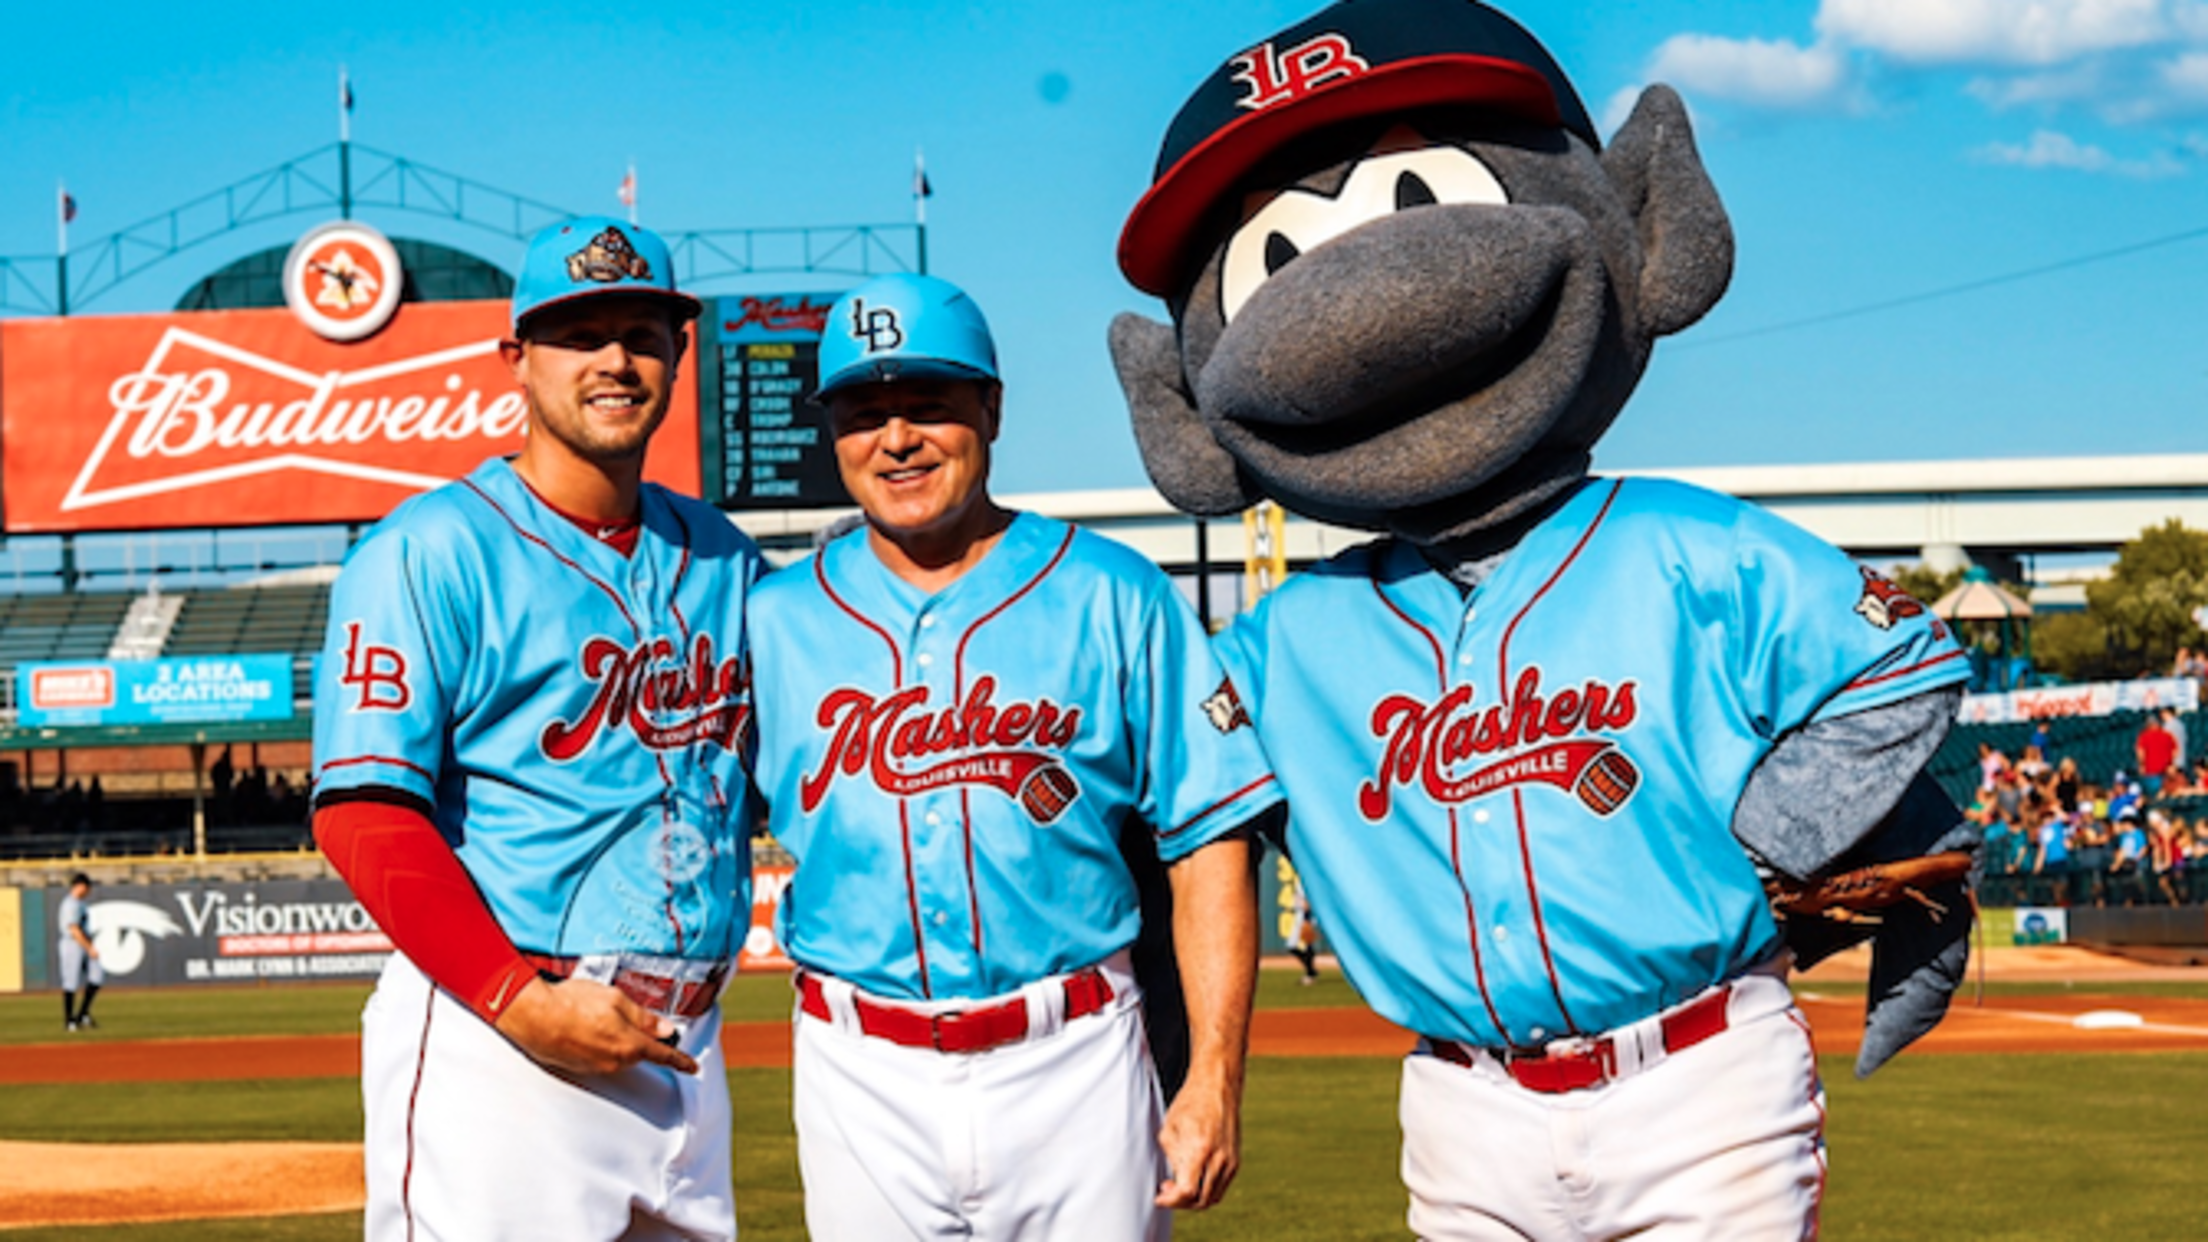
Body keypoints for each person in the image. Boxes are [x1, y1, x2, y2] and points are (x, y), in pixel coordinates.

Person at [747, 273, 1281, 1240]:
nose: (896, 439)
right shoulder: (772, 620)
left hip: (1075, 1058)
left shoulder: (1115, 594)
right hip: (856, 1069)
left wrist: (1213, 1075)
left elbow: (1209, 838)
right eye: (864, 413)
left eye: (928, 405)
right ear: (833, 433)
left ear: (991, 410)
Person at [311, 217, 761, 1241]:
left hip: (690, 1039)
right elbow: (364, 812)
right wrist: (516, 999)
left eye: (641, 335)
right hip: (506, 1037)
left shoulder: (726, 558)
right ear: (517, 359)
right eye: (579, 335)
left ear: (679, 354)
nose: (615, 360)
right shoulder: (429, 549)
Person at [57, 873, 101, 1031]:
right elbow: (74, 929)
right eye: (87, 887)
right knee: (71, 981)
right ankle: (69, 1020)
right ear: (80, 886)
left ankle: (82, 1014)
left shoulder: (80, 903)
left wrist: (89, 945)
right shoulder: (70, 904)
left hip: (83, 942)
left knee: (96, 976)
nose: (89, 890)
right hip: (72, 943)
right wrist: (89, 947)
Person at [2137, 715, 2178, 799]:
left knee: (2153, 797)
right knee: (2165, 796)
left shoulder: (2144, 736)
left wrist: (2141, 765)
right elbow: (2175, 751)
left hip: (2151, 771)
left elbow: (2140, 752)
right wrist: (2171, 763)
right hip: (2165, 771)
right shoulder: (2167, 735)